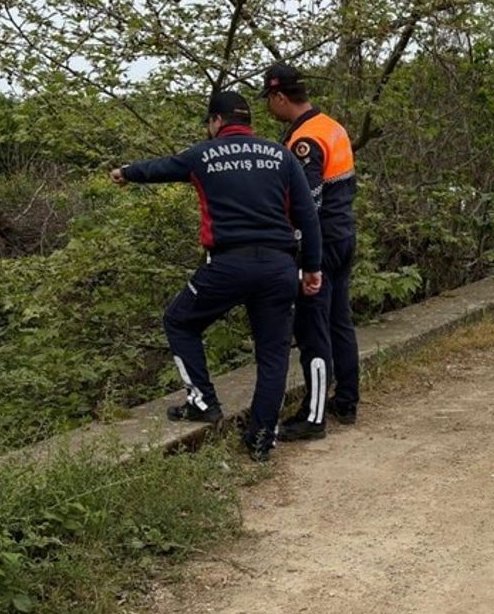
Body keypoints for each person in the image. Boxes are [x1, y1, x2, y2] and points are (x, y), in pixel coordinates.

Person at [109, 91, 323, 462]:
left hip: (228, 265)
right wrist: (313, 267)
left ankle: (202, 401)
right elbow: (307, 215)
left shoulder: (202, 155)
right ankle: (261, 440)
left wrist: (126, 173)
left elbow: (161, 168)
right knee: (273, 355)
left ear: (217, 121)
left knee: (179, 320)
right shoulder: (282, 155)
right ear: (248, 121)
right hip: (279, 267)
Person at [259, 63, 360, 440]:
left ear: (279, 97)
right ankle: (346, 400)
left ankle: (313, 418)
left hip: (320, 243)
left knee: (312, 329)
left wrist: (301, 253)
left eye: (269, 100)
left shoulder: (305, 141)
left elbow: (308, 203)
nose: (269, 107)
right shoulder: (332, 127)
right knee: (339, 322)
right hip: (343, 234)